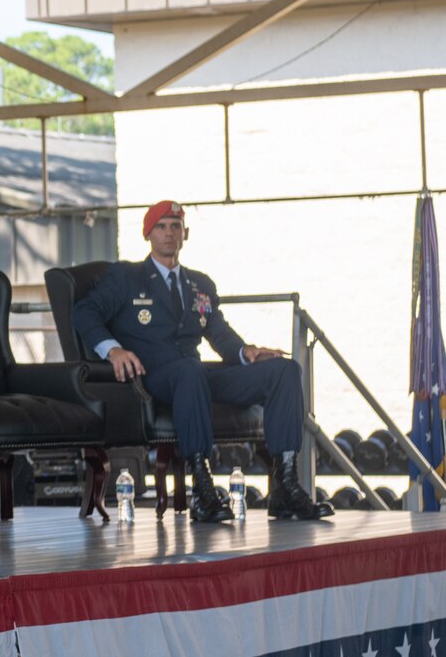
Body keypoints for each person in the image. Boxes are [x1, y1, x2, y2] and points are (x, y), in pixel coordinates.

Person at [71, 199, 330, 524]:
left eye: (175, 227)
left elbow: (218, 333)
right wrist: (113, 350)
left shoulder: (200, 285)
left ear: (185, 233)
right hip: (152, 377)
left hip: (194, 376)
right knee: (190, 371)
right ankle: (203, 490)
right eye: (161, 227)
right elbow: (84, 312)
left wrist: (245, 352)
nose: (169, 233)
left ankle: (285, 486)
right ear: (148, 234)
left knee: (285, 370)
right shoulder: (127, 276)